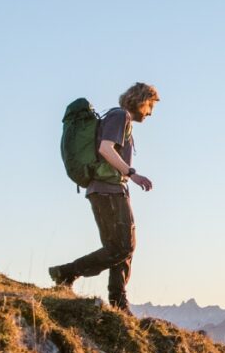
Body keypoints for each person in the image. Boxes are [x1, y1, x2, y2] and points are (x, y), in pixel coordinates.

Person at [49, 82, 158, 311]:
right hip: (108, 190)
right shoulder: (120, 116)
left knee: (119, 247)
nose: (151, 113)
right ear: (141, 100)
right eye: (150, 106)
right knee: (123, 247)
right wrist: (132, 173)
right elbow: (105, 148)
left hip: (107, 189)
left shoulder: (117, 117)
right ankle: (66, 272)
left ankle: (118, 303)